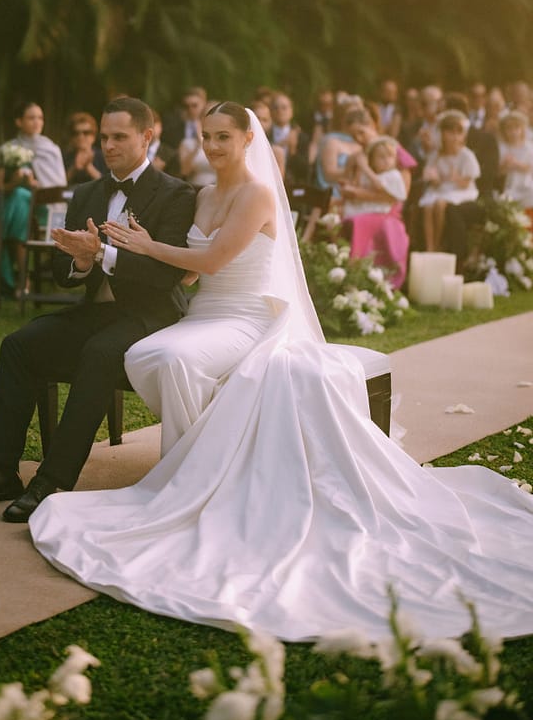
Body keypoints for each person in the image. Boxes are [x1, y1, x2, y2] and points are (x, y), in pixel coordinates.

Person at [30, 102, 533, 642]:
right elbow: (192, 283)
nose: (213, 146)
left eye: (224, 136)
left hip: (246, 317)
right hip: (205, 315)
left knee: (171, 357)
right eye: (206, 137)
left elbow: (212, 263)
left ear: (249, 139)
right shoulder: (201, 196)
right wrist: (132, 249)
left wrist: (144, 245)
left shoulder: (258, 194)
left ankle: (185, 480)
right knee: (144, 353)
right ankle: (197, 465)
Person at [0, 97, 197, 521]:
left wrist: (102, 254)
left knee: (99, 352)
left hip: (151, 315)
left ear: (146, 137)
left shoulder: (177, 194)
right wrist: (81, 261)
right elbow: (62, 270)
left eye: (120, 137)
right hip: (98, 313)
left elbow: (164, 274)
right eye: (104, 137)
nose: (108, 146)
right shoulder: (86, 193)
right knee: (19, 345)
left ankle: (52, 480)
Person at [0, 102, 67, 294]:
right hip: (19, 206)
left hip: (46, 207)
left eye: (40, 118)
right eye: (31, 117)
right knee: (20, 198)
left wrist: (38, 187)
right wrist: (16, 182)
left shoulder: (51, 148)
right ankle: (24, 279)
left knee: (20, 201)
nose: (37, 122)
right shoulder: (8, 149)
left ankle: (20, 278)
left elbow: (59, 187)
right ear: (19, 121)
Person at [340, 136, 410, 288]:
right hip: (367, 211)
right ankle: (352, 269)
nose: (386, 160)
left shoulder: (393, 175)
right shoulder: (372, 175)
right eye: (381, 157)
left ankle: (361, 265)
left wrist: (365, 168)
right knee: (351, 218)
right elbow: (359, 186)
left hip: (383, 214)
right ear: (372, 159)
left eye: (390, 156)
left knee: (361, 223)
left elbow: (378, 187)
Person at [419, 110, 480, 252]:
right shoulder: (436, 155)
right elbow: (434, 180)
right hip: (441, 188)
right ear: (442, 134)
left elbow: (466, 183)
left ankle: (438, 241)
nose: (454, 137)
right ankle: (430, 246)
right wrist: (435, 180)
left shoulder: (466, 155)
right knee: (428, 207)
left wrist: (455, 177)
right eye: (450, 132)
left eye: (458, 133)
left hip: (460, 190)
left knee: (440, 204)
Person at [63, 112, 107, 186]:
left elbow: (108, 184)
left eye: (86, 133)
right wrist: (74, 169)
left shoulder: (104, 156)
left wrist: (89, 168)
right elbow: (59, 184)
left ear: (93, 136)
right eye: (76, 133)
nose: (81, 137)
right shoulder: (65, 157)